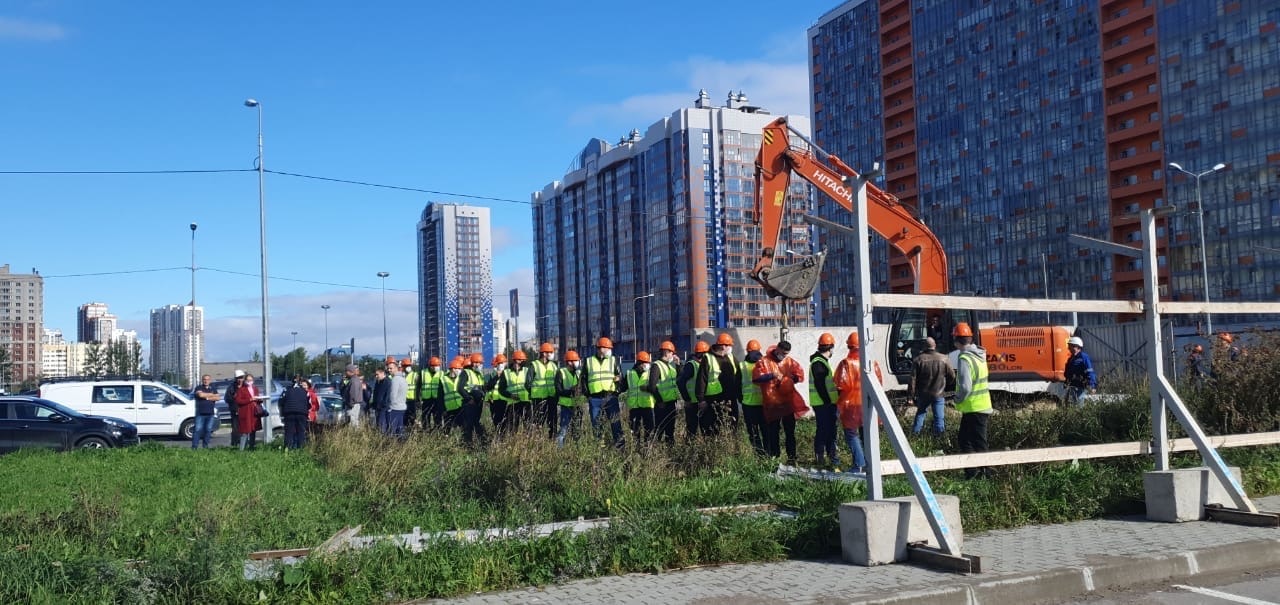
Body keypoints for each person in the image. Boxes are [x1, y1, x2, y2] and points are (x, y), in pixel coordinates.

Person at [835, 332, 882, 474]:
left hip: (850, 405)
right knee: (866, 434)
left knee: (851, 434)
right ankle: (870, 465)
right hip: (867, 403)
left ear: (849, 346)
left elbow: (840, 384)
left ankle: (859, 464)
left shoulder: (846, 363)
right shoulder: (872, 363)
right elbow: (879, 383)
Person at [754, 341, 804, 465]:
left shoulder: (789, 361)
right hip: (773, 403)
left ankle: (792, 458)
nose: (784, 356)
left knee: (790, 431)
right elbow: (756, 378)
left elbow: (799, 376)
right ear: (777, 349)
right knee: (773, 431)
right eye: (782, 353)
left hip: (787, 402)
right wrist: (772, 375)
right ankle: (774, 457)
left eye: (786, 354)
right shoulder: (764, 361)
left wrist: (788, 380)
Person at [953, 322, 992, 479]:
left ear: (957, 340)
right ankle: (979, 473)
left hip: (973, 407)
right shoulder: (980, 356)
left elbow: (966, 386)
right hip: (980, 406)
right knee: (975, 441)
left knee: (968, 442)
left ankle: (977, 473)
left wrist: (957, 398)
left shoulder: (964, 358)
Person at [696, 333, 740, 436]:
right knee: (713, 427)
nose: (730, 348)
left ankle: (729, 447)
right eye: (729, 345)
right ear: (723, 346)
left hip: (730, 398)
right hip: (714, 399)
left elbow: (739, 375)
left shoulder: (730, 357)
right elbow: (701, 379)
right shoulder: (708, 358)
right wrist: (701, 399)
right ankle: (715, 448)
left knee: (732, 425)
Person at [583, 337, 623, 446]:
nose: (610, 350)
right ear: (601, 349)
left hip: (611, 397)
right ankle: (599, 449)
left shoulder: (613, 360)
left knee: (615, 423)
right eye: (608, 348)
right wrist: (588, 395)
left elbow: (620, 377)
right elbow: (583, 379)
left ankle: (620, 447)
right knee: (596, 425)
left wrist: (617, 392)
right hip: (595, 398)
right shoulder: (589, 361)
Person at [910, 337, 953, 435]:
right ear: (935, 346)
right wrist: (946, 385)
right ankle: (939, 437)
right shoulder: (944, 358)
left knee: (920, 414)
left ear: (924, 347)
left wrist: (911, 395)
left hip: (923, 394)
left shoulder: (918, 360)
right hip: (938, 393)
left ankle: (915, 436)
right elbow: (952, 376)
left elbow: (912, 379)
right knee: (939, 417)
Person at [809, 333, 841, 469]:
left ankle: (831, 456)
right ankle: (821, 457)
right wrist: (828, 400)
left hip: (826, 403)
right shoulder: (818, 363)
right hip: (823, 404)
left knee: (830, 430)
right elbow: (820, 385)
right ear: (830, 348)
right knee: (824, 430)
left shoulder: (821, 362)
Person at [646, 341, 682, 445]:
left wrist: (678, 365)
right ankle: (653, 451)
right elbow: (652, 386)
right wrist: (660, 400)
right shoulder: (657, 366)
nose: (673, 355)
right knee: (659, 430)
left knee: (670, 431)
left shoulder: (670, 367)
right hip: (662, 405)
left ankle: (669, 450)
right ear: (666, 352)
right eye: (672, 353)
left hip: (671, 403)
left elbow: (679, 378)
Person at [738, 340, 766, 455]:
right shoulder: (764, 364)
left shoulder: (742, 366)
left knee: (753, 432)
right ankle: (769, 453)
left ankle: (759, 454)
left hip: (748, 404)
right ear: (759, 350)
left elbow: (737, 385)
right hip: (764, 403)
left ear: (747, 351)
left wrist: (741, 399)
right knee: (766, 430)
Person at [678, 341, 710, 441]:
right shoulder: (691, 365)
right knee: (692, 430)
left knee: (706, 429)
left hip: (702, 402)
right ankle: (690, 451)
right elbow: (680, 382)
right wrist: (687, 399)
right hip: (692, 404)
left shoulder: (703, 365)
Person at [528, 343, 560, 439]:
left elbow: (557, 381)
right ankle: (538, 441)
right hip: (538, 398)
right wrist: (533, 393)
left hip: (552, 397)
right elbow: (528, 383)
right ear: (544, 353)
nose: (552, 354)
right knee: (539, 422)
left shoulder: (554, 366)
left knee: (553, 421)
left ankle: (552, 439)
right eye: (550, 352)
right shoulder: (534, 365)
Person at [623, 351, 655, 442]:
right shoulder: (629, 374)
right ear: (639, 363)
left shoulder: (650, 374)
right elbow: (623, 387)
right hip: (634, 407)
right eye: (646, 363)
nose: (648, 365)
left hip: (648, 405)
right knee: (634, 430)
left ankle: (646, 448)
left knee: (649, 430)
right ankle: (635, 449)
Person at [458, 354, 489, 445]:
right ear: (472, 363)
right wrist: (468, 399)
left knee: (475, 422)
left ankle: (480, 442)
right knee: (469, 424)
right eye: (476, 363)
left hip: (478, 403)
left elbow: (482, 388)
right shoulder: (466, 372)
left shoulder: (479, 374)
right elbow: (460, 388)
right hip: (470, 403)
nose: (478, 365)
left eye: (479, 363)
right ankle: (468, 443)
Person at [499, 350, 532, 434]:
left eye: (523, 360)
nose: (523, 361)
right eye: (521, 360)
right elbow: (501, 389)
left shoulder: (527, 371)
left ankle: (529, 444)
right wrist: (510, 395)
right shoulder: (506, 373)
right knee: (512, 428)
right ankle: (513, 444)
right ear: (515, 360)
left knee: (529, 427)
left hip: (526, 403)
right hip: (512, 404)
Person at [554, 350, 582, 447]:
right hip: (566, 406)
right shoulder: (561, 372)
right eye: (575, 361)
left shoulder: (579, 373)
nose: (577, 363)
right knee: (563, 429)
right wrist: (571, 391)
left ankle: (576, 449)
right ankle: (560, 450)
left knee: (577, 429)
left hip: (578, 405)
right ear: (569, 362)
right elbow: (558, 390)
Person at [279, 376, 311, 449]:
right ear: (300, 383)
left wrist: (282, 413)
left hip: (289, 413)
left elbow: (281, 402)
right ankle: (301, 450)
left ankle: (287, 449)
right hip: (302, 414)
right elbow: (309, 404)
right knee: (301, 432)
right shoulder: (305, 391)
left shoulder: (286, 390)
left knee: (289, 433)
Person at [1063, 336, 1097, 406]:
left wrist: (1092, 386)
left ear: (1077, 347)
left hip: (1080, 387)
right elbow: (1068, 372)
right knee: (1068, 405)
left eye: (1070, 346)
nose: (1069, 348)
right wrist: (1066, 382)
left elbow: (1090, 372)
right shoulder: (1071, 359)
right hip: (1072, 386)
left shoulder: (1084, 357)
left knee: (1078, 406)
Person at [190, 374, 220, 449]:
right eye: (204, 379)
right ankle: (194, 447)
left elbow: (217, 398)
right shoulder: (198, 387)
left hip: (210, 413)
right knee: (197, 430)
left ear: (210, 380)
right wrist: (211, 395)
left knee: (208, 430)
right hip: (200, 413)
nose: (206, 381)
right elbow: (200, 395)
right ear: (202, 380)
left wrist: (206, 397)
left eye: (207, 379)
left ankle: (205, 446)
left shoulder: (213, 388)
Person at [233, 373, 262, 450]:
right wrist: (249, 400)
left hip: (254, 412)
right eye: (248, 380)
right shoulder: (241, 390)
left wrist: (260, 399)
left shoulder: (255, 389)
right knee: (245, 431)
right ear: (245, 381)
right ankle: (241, 450)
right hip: (245, 413)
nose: (249, 381)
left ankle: (251, 448)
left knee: (253, 430)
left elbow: (257, 399)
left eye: (251, 380)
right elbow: (238, 401)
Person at [485, 353, 510, 434]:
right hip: (494, 401)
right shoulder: (492, 374)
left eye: (503, 363)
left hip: (505, 400)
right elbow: (488, 387)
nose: (501, 365)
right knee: (496, 421)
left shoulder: (507, 374)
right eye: (499, 363)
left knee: (505, 421)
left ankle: (504, 436)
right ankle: (498, 435)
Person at [439, 358, 466, 432]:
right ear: (453, 369)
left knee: (463, 427)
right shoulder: (443, 379)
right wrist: (443, 409)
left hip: (460, 407)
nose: (459, 371)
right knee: (447, 428)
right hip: (448, 409)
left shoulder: (461, 378)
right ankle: (447, 440)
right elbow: (440, 397)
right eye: (458, 369)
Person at [419, 356, 444, 430]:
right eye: (434, 366)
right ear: (430, 366)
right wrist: (418, 398)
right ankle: (426, 431)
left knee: (437, 417)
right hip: (426, 400)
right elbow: (418, 386)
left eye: (438, 365)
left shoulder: (441, 374)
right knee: (425, 417)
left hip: (437, 400)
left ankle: (437, 432)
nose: (436, 367)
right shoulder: (423, 373)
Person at [386, 360, 409, 437]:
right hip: (402, 407)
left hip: (394, 408)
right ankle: (402, 446)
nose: (389, 370)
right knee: (400, 429)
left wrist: (390, 407)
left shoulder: (395, 380)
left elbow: (393, 395)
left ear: (396, 368)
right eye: (388, 368)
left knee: (392, 431)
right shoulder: (403, 378)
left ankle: (392, 446)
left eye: (391, 368)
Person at [223, 370, 245, 445]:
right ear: (235, 378)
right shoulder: (231, 387)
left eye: (241, 377)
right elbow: (226, 398)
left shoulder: (246, 386)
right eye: (238, 378)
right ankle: (235, 443)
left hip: (245, 410)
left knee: (245, 427)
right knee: (235, 428)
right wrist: (234, 398)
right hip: (235, 410)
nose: (240, 379)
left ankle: (245, 443)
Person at [402, 358, 419, 433]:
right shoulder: (402, 376)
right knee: (404, 419)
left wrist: (418, 399)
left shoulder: (415, 375)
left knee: (412, 418)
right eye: (405, 366)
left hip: (412, 401)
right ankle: (406, 432)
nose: (406, 367)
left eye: (408, 365)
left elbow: (419, 389)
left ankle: (413, 433)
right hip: (404, 401)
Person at [371, 366, 390, 432]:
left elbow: (387, 396)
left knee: (382, 425)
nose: (376, 376)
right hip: (377, 407)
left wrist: (383, 405)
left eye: (377, 374)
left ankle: (383, 438)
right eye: (375, 375)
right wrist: (374, 404)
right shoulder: (378, 382)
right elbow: (376, 394)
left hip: (383, 408)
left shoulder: (387, 382)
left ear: (382, 373)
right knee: (378, 425)